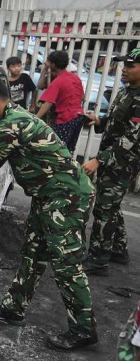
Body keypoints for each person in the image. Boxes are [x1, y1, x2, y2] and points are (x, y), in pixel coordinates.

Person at [0, 76, 97, 351]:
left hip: (67, 198)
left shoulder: (13, 125)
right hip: (48, 195)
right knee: (33, 253)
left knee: (66, 265)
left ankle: (84, 329)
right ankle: (13, 307)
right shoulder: (12, 117)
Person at [80, 48, 140, 276]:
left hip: (123, 163)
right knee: (111, 205)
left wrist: (98, 160)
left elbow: (131, 138)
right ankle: (118, 248)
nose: (124, 69)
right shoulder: (127, 92)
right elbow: (116, 123)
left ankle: (98, 258)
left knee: (104, 209)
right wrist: (98, 120)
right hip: (112, 161)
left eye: (130, 66)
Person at [35, 51, 85, 154]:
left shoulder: (58, 81)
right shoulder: (75, 78)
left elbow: (48, 103)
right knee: (69, 149)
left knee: (57, 150)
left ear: (53, 64)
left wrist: (35, 119)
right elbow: (83, 98)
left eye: (48, 61)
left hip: (66, 118)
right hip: (79, 117)